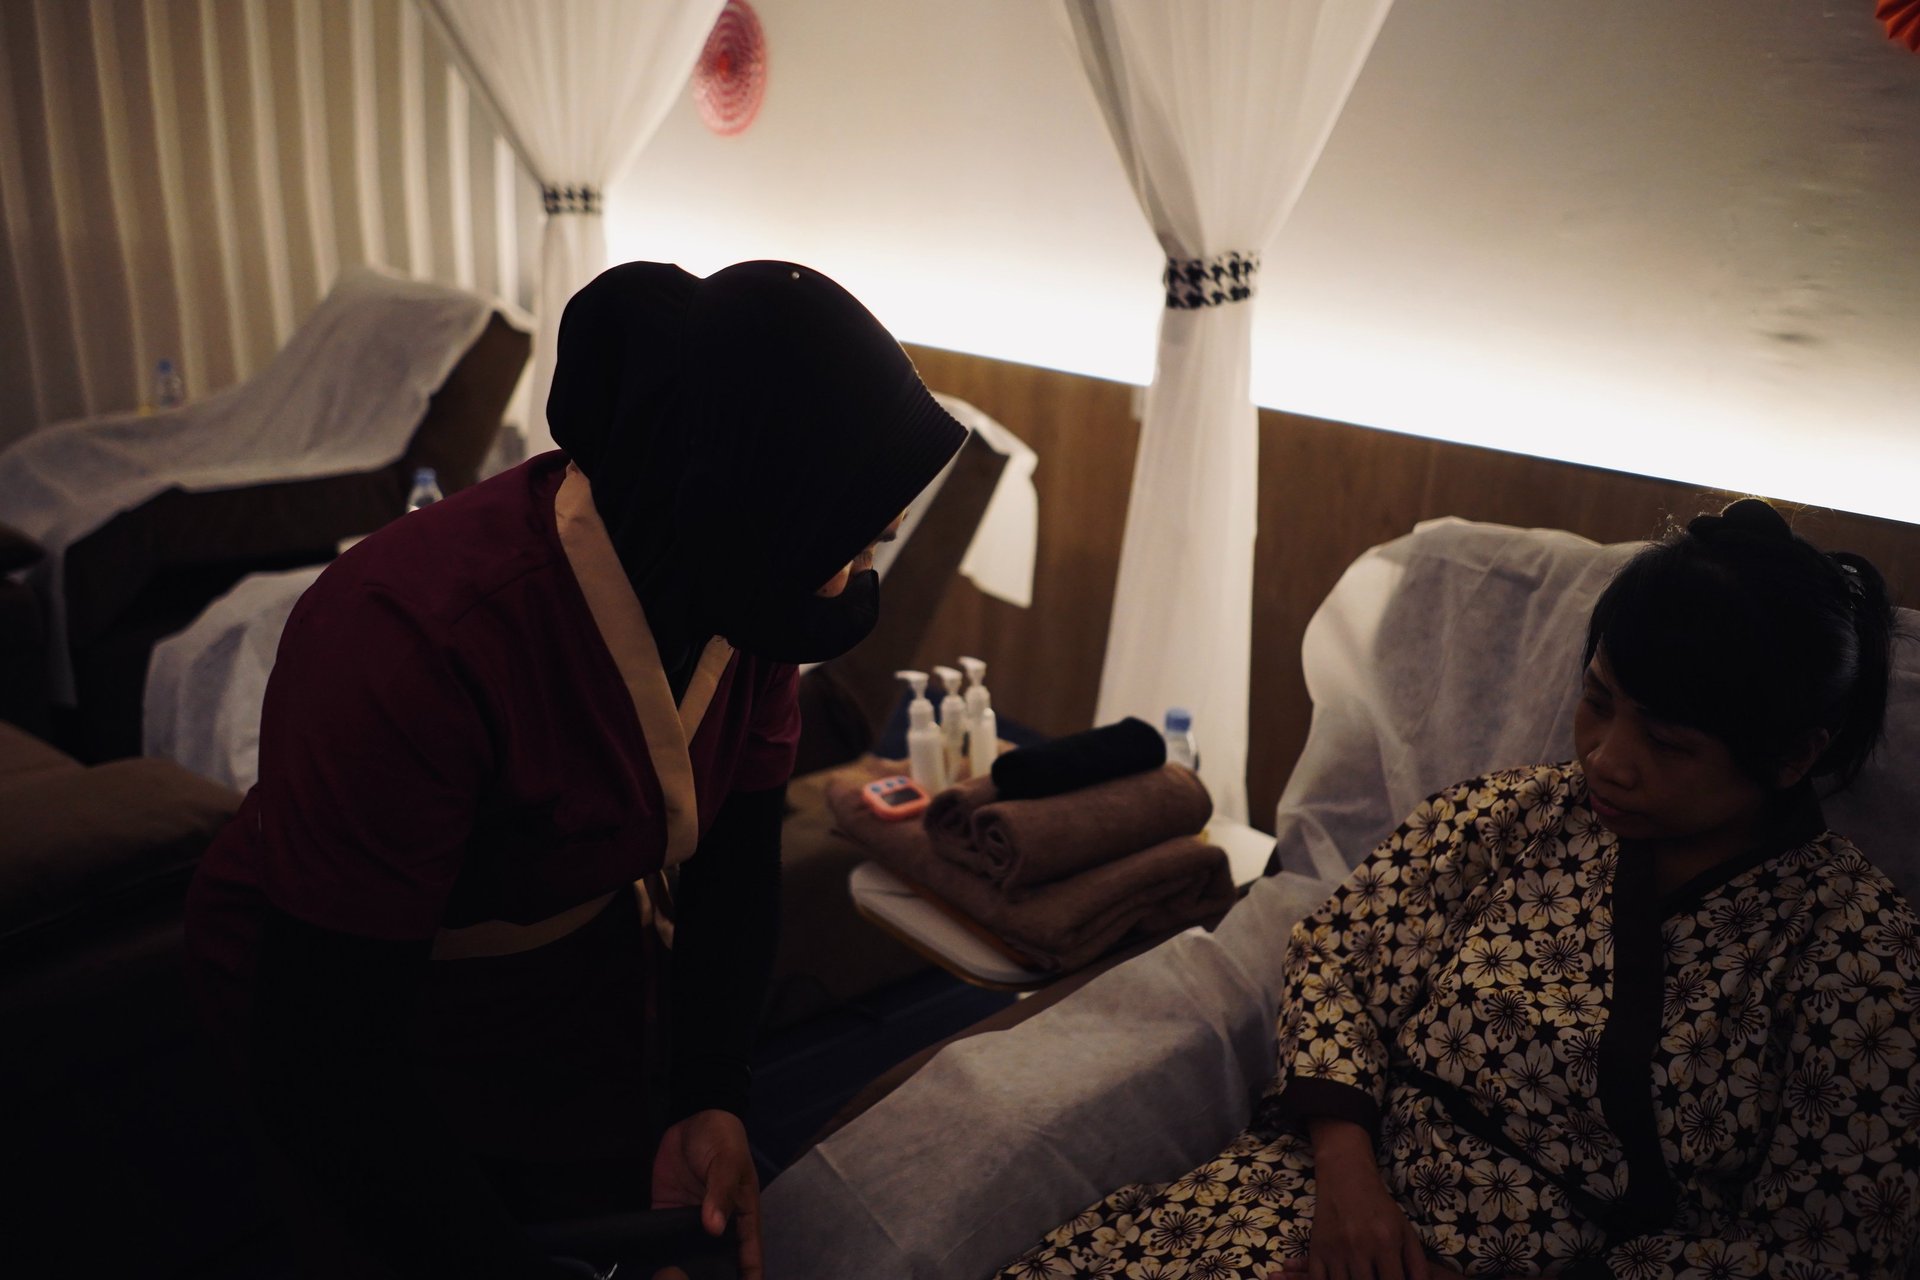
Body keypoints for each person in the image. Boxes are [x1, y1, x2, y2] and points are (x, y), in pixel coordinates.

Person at [184, 260, 968, 1279]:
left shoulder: (742, 596)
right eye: (854, 545)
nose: (860, 574)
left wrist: (711, 1092)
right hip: (335, 989)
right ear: (745, 501)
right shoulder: (415, 639)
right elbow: (334, 1062)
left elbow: (735, 863)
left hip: (568, 966)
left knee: (617, 1223)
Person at [997, 499, 1920, 1280]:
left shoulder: (1856, 956)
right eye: (1598, 700)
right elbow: (1336, 963)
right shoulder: (1509, 819)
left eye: (1669, 743)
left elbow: (1826, 1248)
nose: (1607, 758)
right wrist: (1347, 1181)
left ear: (1792, 756)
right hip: (1319, 1195)